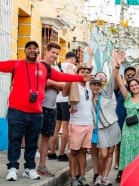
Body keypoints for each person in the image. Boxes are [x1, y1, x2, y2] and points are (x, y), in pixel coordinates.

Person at [3, 41, 93, 181]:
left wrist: (80, 77)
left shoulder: (44, 68)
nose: (32, 51)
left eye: (34, 48)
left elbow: (62, 77)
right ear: (25, 50)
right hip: (17, 111)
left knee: (33, 142)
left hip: (36, 112)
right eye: (29, 48)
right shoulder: (17, 64)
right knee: (15, 140)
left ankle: (30, 168)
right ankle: (12, 168)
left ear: (38, 51)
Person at [115, 58, 139, 183]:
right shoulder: (127, 97)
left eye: (136, 85)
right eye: (132, 86)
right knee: (127, 150)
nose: (134, 87)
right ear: (129, 87)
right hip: (128, 128)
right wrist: (118, 67)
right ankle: (125, 174)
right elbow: (119, 83)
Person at [62, 63, 95, 186]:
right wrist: (70, 77)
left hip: (88, 123)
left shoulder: (89, 86)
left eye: (88, 71)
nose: (85, 73)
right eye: (83, 71)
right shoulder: (73, 83)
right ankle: (73, 178)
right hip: (76, 123)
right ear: (78, 73)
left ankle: (82, 176)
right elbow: (65, 93)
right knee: (74, 152)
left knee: (83, 151)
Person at [37, 42, 66, 177]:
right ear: (46, 51)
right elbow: (42, 82)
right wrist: (54, 84)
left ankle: (42, 166)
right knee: (34, 137)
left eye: (57, 53)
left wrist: (53, 84)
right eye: (53, 52)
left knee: (46, 138)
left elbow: (63, 87)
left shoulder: (56, 69)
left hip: (52, 107)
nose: (55, 55)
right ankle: (29, 165)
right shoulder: (39, 65)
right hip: (39, 107)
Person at [92, 69, 121, 186]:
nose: (96, 87)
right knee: (103, 154)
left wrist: (117, 67)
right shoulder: (88, 97)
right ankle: (98, 175)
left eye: (98, 85)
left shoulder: (106, 93)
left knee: (110, 153)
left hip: (113, 126)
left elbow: (112, 80)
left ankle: (105, 177)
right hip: (100, 129)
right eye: (94, 84)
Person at [48, 51, 77, 161]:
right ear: (73, 59)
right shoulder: (72, 67)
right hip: (66, 99)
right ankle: (61, 153)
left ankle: (51, 152)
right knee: (66, 128)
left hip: (57, 99)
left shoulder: (56, 67)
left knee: (56, 127)